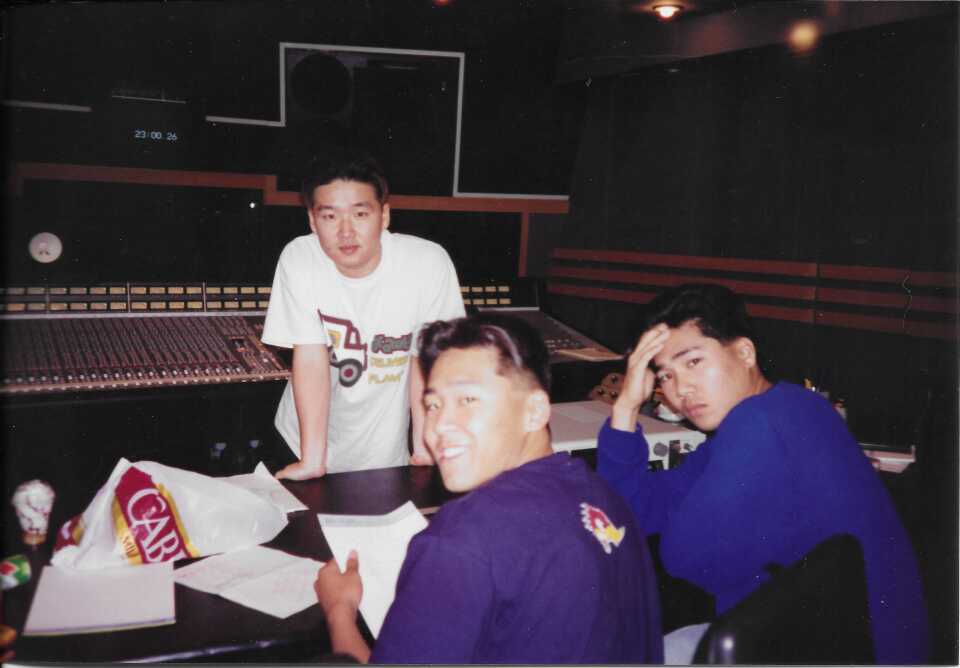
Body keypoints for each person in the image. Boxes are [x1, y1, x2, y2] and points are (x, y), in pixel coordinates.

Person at [597, 283, 929, 664]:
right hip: (829, 639)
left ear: (744, 352)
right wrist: (625, 408)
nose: (680, 390)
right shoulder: (787, 406)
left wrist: (681, 515)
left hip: (824, 648)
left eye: (693, 362)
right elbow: (635, 510)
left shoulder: (761, 422)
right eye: (665, 376)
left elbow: (685, 557)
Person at [314, 314, 664, 664]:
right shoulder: (604, 499)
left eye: (468, 400)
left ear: (535, 411)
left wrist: (339, 610)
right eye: (433, 405)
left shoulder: (460, 540)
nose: (438, 428)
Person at [261, 149, 465, 480]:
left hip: (387, 449)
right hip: (303, 440)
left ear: (384, 215)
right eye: (329, 217)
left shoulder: (427, 263)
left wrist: (425, 443)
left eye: (360, 214)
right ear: (313, 221)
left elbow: (425, 358)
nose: (345, 232)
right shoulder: (300, 258)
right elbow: (311, 357)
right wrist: (314, 459)